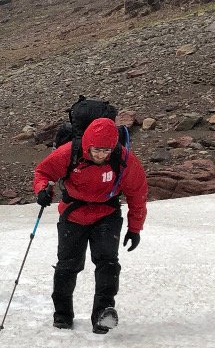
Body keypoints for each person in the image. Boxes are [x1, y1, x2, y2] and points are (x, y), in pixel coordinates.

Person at [32, 117, 147, 334]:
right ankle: (62, 314)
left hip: (107, 214)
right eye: (96, 150)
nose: (101, 155)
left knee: (108, 264)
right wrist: (42, 190)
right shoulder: (69, 153)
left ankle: (103, 313)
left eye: (106, 150)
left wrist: (135, 228)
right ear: (87, 145)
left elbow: (137, 193)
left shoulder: (123, 158)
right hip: (73, 213)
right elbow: (43, 173)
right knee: (68, 265)